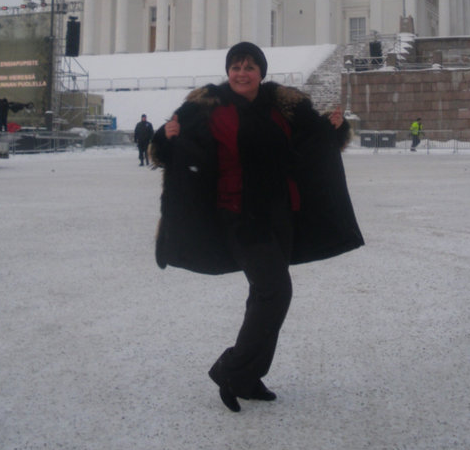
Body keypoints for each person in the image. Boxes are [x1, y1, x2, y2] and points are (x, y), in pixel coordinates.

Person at [151, 42, 364, 412]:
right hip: (236, 214)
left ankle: (248, 377)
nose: (241, 73)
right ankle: (231, 369)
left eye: (249, 67)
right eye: (235, 66)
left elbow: (313, 143)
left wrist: (336, 127)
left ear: (261, 73)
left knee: (264, 294)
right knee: (274, 291)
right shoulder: (206, 106)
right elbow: (171, 149)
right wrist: (164, 139)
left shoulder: (283, 106)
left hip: (280, 214)